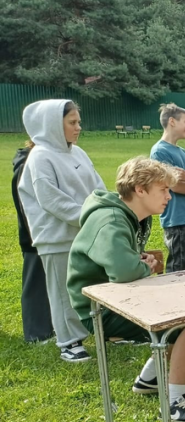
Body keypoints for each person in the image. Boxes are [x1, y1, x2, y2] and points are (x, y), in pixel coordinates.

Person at [67, 157, 185, 422]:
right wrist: (143, 266)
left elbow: (123, 262)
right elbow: (124, 272)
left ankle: (150, 379)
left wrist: (139, 261)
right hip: (100, 309)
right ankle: (174, 402)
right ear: (140, 190)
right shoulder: (110, 220)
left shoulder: (131, 215)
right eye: (163, 190)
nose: (169, 196)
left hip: (119, 297)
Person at [17, 99, 105, 362]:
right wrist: (89, 215)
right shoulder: (40, 157)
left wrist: (106, 207)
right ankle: (69, 342)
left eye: (79, 122)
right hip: (55, 237)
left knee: (91, 285)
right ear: (53, 124)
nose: (78, 127)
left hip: (85, 232)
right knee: (63, 291)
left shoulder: (78, 153)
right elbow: (51, 200)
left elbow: (97, 186)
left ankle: (104, 331)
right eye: (72, 122)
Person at [149, 103, 185, 273]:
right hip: (177, 218)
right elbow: (176, 187)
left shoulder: (183, 153)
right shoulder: (159, 152)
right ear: (172, 121)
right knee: (180, 264)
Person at [12, 140, 54, 343]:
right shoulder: (27, 162)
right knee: (35, 283)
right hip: (35, 236)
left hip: (49, 234)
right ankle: (36, 333)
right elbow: (26, 205)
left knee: (48, 283)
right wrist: (36, 234)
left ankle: (50, 327)